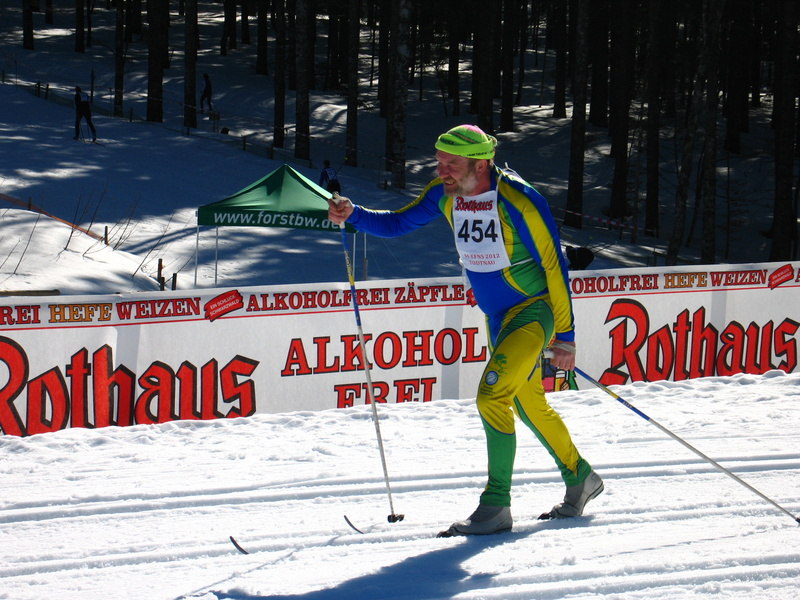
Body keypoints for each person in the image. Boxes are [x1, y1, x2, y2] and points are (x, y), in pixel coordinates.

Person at [327, 124, 603, 536]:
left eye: (451, 163)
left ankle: (495, 506)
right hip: (498, 317)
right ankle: (580, 477)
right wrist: (354, 214)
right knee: (528, 404)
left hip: (534, 311)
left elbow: (554, 267)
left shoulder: (519, 200)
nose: (442, 171)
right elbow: (399, 224)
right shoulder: (445, 193)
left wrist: (566, 336)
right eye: (439, 162)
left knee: (493, 397)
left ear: (480, 164)